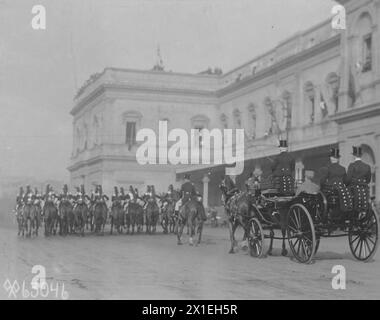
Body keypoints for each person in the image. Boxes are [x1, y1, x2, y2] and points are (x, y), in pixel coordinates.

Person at [320, 148, 353, 212]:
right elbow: (346, 181)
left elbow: (322, 181)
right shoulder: (343, 168)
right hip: (341, 189)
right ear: (338, 159)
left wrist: (321, 188)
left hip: (331, 190)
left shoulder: (328, 168)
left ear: (331, 158)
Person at [345, 146, 371, 211]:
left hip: (353, 190)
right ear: (361, 156)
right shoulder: (367, 166)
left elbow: (348, 179)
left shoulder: (352, 165)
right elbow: (368, 180)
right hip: (364, 190)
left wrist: (345, 184)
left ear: (354, 156)